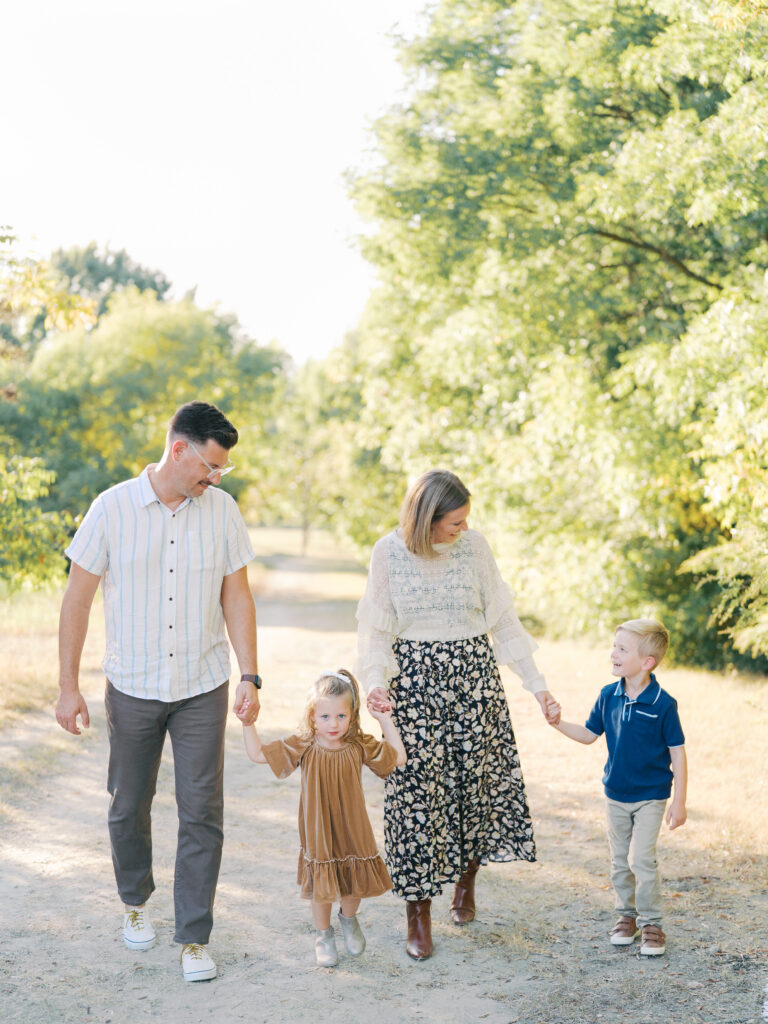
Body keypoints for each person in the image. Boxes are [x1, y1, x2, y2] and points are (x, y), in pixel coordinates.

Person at [55, 400, 261, 982]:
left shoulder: (222, 512)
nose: (215, 478)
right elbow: (77, 600)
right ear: (178, 449)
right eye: (210, 467)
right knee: (128, 803)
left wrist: (249, 673)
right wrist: (68, 687)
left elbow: (237, 597)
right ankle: (135, 904)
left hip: (201, 686)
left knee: (203, 814)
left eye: (222, 471)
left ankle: (194, 938)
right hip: (133, 685)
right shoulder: (111, 508)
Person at [356, 469, 559, 960]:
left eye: (466, 521)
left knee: (474, 788)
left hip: (474, 682)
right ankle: (418, 914)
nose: (463, 529)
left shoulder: (476, 549)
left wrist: (538, 686)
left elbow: (503, 620)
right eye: (454, 522)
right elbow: (375, 633)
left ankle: (466, 884)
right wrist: (376, 684)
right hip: (415, 688)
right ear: (426, 519)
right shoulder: (388, 553)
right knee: (416, 800)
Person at [242, 668, 406, 967]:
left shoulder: (357, 744)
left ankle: (348, 919)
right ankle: (323, 934)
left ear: (352, 716)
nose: (333, 724)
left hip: (353, 827)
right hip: (319, 828)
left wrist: (384, 719)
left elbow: (399, 757)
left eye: (341, 717)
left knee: (354, 881)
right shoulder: (303, 745)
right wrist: (248, 723)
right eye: (325, 717)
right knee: (323, 885)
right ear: (312, 717)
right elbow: (257, 754)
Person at [549, 618, 687, 956]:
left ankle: (651, 922)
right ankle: (625, 916)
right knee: (618, 862)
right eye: (614, 646)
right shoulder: (608, 695)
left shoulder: (663, 703)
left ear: (647, 662)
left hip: (651, 797)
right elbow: (589, 734)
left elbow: (679, 755)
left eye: (622, 649)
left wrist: (679, 802)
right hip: (615, 796)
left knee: (642, 859)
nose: (613, 653)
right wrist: (557, 724)